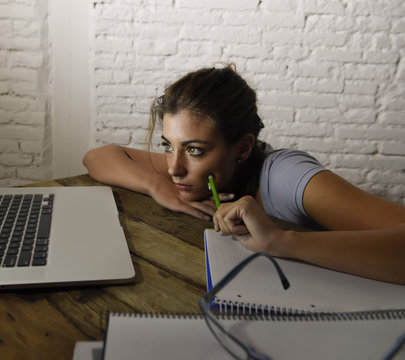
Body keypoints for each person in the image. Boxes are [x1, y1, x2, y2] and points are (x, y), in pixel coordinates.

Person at [83, 65, 405, 285]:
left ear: (242, 148)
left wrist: (281, 241)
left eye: (195, 150)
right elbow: (98, 157)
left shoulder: (288, 178)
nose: (173, 168)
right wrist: (158, 187)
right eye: (168, 146)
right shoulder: (183, 169)